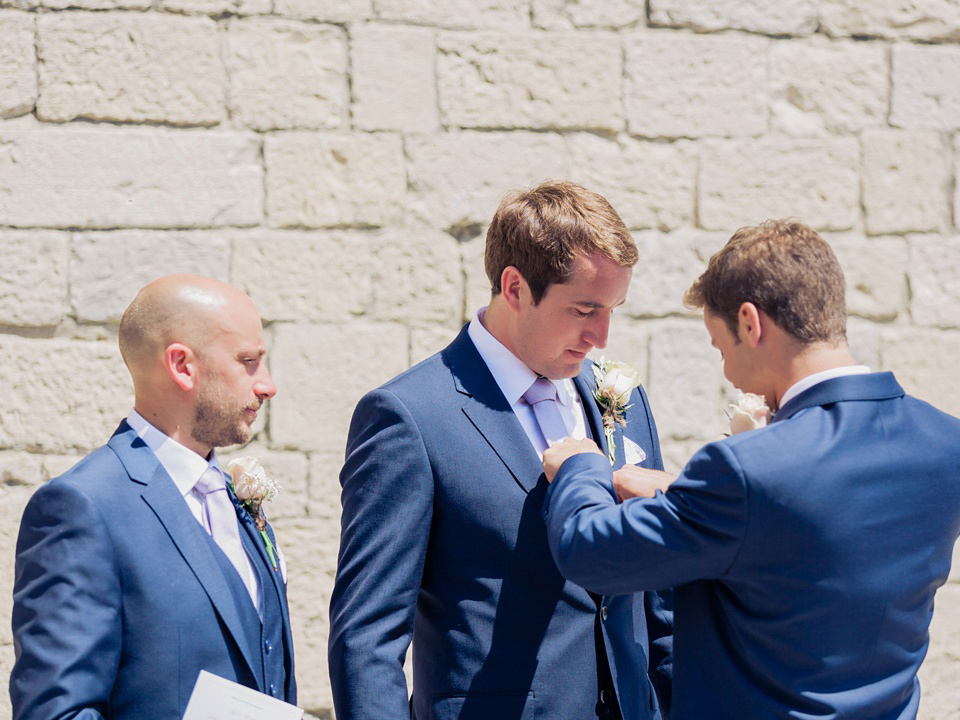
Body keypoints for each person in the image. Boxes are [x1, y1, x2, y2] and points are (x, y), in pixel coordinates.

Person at [541, 219, 960, 719]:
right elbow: (818, 536)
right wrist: (679, 496)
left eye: (721, 348)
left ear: (750, 323)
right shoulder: (943, 441)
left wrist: (581, 466)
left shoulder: (746, 472)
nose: (727, 372)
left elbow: (586, 551)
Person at [329, 181, 673, 720]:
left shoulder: (625, 402)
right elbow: (367, 637)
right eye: (584, 310)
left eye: (612, 309)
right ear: (514, 287)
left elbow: (657, 600)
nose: (601, 336)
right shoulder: (409, 417)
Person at [11, 275, 297, 720]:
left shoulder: (235, 496)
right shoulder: (82, 508)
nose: (267, 385)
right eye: (248, 362)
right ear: (182, 365)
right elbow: (58, 714)